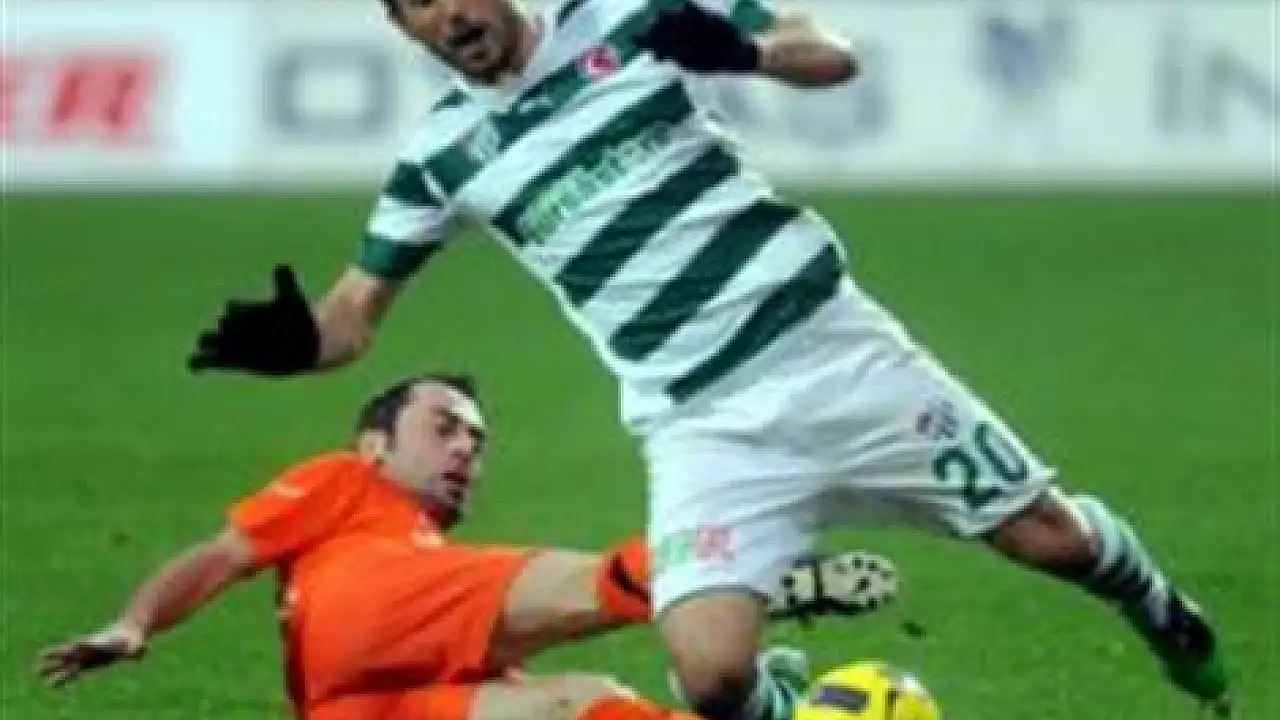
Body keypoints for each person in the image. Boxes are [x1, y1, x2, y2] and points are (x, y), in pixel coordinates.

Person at [184, 0, 1231, 716]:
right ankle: (788, 701)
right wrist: (294, 346)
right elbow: (352, 316)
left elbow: (827, 51)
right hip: (700, 423)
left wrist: (744, 52)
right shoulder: (437, 158)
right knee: (712, 681)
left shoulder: (626, 17)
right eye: (419, 4)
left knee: (1050, 540)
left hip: (835, 356)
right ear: (400, 25)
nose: (450, 13)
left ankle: (1157, 608)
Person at [37, 373, 896, 720]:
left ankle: (745, 691)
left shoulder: (428, 549)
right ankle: (739, 577)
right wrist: (134, 623)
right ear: (375, 443)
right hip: (370, 621)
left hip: (365, 710)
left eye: (476, 442)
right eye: (443, 428)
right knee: (589, 583)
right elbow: (221, 555)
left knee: (580, 701)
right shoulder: (344, 482)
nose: (464, 450)